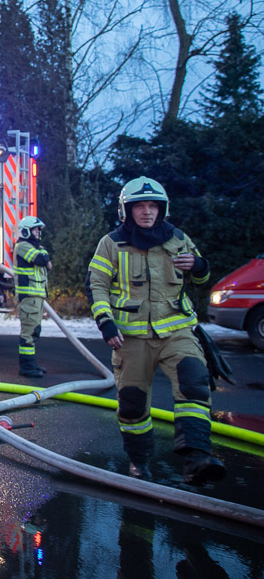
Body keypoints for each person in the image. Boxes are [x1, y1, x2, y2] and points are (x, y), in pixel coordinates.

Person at [86, 177, 225, 484]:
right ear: (127, 210)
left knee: (194, 383)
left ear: (162, 209)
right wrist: (105, 321)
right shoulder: (111, 244)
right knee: (132, 403)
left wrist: (199, 266)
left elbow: (202, 281)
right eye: (139, 206)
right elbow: (96, 285)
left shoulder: (178, 239)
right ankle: (139, 462)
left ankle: (197, 459)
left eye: (153, 206)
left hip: (177, 330)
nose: (147, 212)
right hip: (131, 337)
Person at [14, 216, 51, 378]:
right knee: (28, 333)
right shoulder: (23, 246)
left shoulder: (32, 247)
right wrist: (43, 252)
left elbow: (46, 263)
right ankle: (27, 367)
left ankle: (32, 364)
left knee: (34, 331)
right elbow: (42, 260)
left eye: (38, 230)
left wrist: (42, 253)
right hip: (29, 297)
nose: (38, 232)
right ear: (26, 231)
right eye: (35, 229)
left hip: (35, 296)